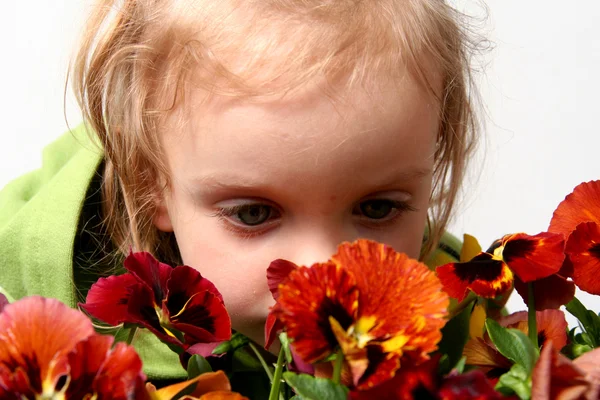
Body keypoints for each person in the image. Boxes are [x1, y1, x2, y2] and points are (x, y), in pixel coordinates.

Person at [0, 0, 479, 396]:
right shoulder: (36, 332)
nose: (322, 271)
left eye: (378, 208)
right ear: (151, 183)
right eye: (254, 214)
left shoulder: (457, 310)